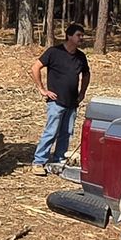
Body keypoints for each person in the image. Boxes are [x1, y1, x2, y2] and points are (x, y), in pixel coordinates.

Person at [32, 24, 91, 172]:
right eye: (79, 35)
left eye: (82, 35)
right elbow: (35, 67)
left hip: (72, 102)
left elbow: (86, 74)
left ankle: (59, 159)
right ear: (69, 36)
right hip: (56, 101)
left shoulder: (80, 56)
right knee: (51, 131)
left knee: (67, 132)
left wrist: (82, 92)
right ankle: (39, 162)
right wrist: (42, 89)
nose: (81, 38)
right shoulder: (54, 52)